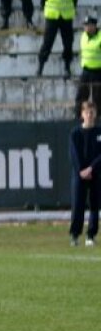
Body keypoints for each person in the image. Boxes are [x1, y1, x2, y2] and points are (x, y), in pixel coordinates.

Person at [69, 101, 101, 247]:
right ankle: (75, 235)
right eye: (87, 112)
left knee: (95, 205)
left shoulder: (99, 132)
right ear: (82, 114)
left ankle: (91, 235)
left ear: (96, 114)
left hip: (96, 174)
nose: (90, 115)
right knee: (78, 204)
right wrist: (81, 170)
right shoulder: (75, 133)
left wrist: (91, 168)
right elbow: (74, 154)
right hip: (79, 175)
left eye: (92, 112)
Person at [37, 0, 77, 79]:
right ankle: (40, 67)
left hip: (66, 18)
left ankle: (67, 67)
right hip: (52, 18)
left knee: (68, 44)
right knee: (47, 43)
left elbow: (74, 1)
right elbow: (42, 1)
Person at [78, 16, 101, 110]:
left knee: (98, 97)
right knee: (81, 95)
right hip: (86, 70)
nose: (87, 27)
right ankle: (78, 115)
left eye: (89, 25)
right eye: (86, 25)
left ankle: (98, 116)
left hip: (98, 71)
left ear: (94, 26)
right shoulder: (83, 36)